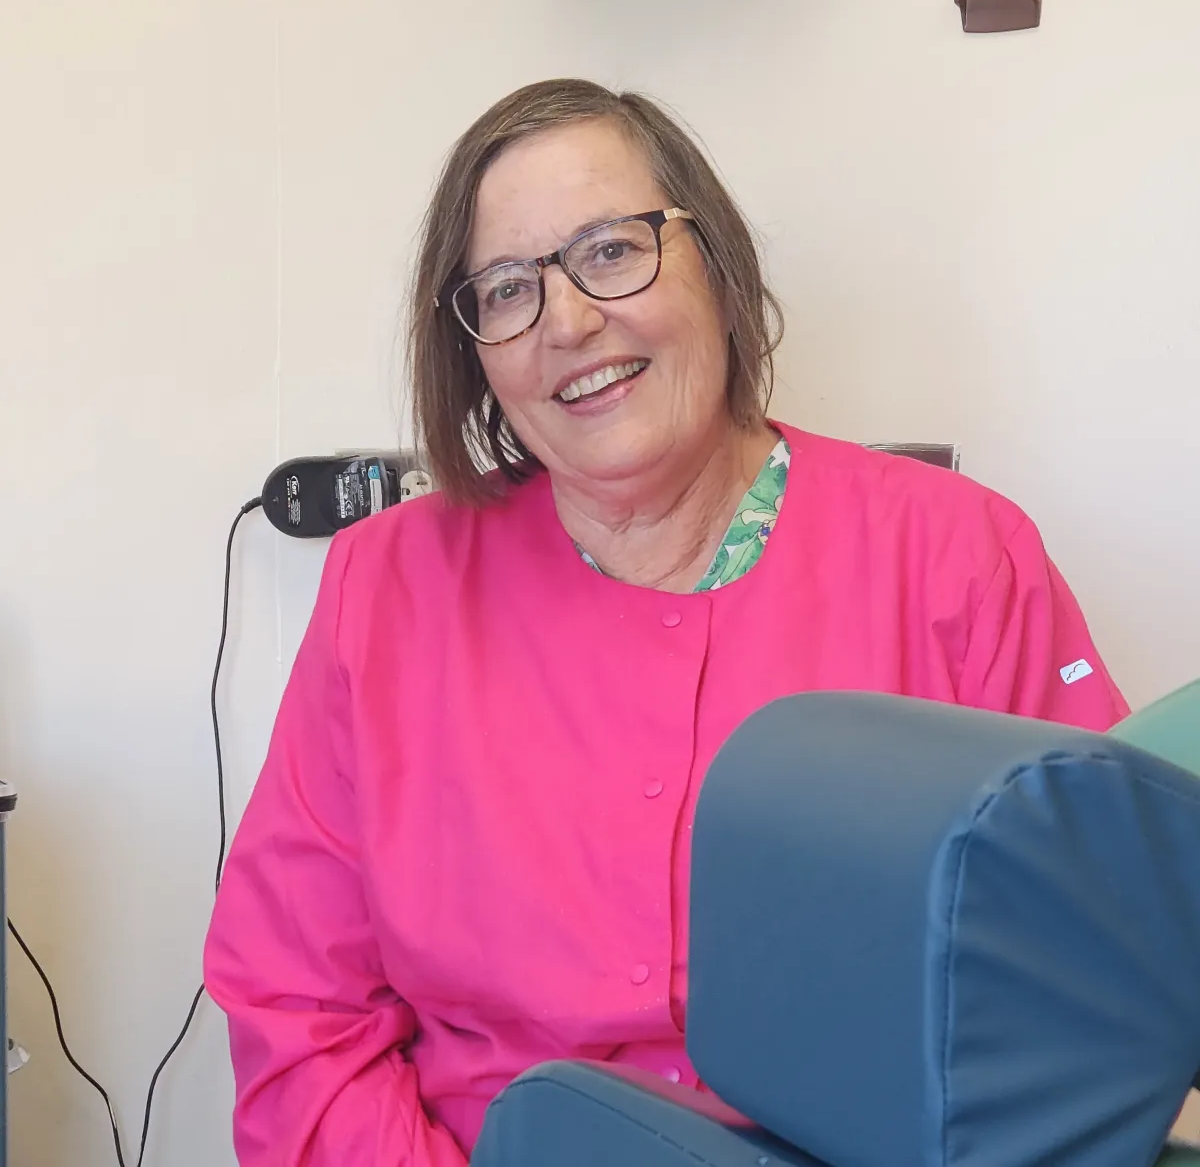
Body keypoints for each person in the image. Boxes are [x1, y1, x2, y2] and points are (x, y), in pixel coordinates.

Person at [203, 79, 1128, 1165]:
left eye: (609, 250)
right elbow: (294, 1003)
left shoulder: (959, 557)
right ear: (475, 355)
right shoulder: (386, 587)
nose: (569, 320)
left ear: (718, 268)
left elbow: (1091, 971)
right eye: (507, 289)